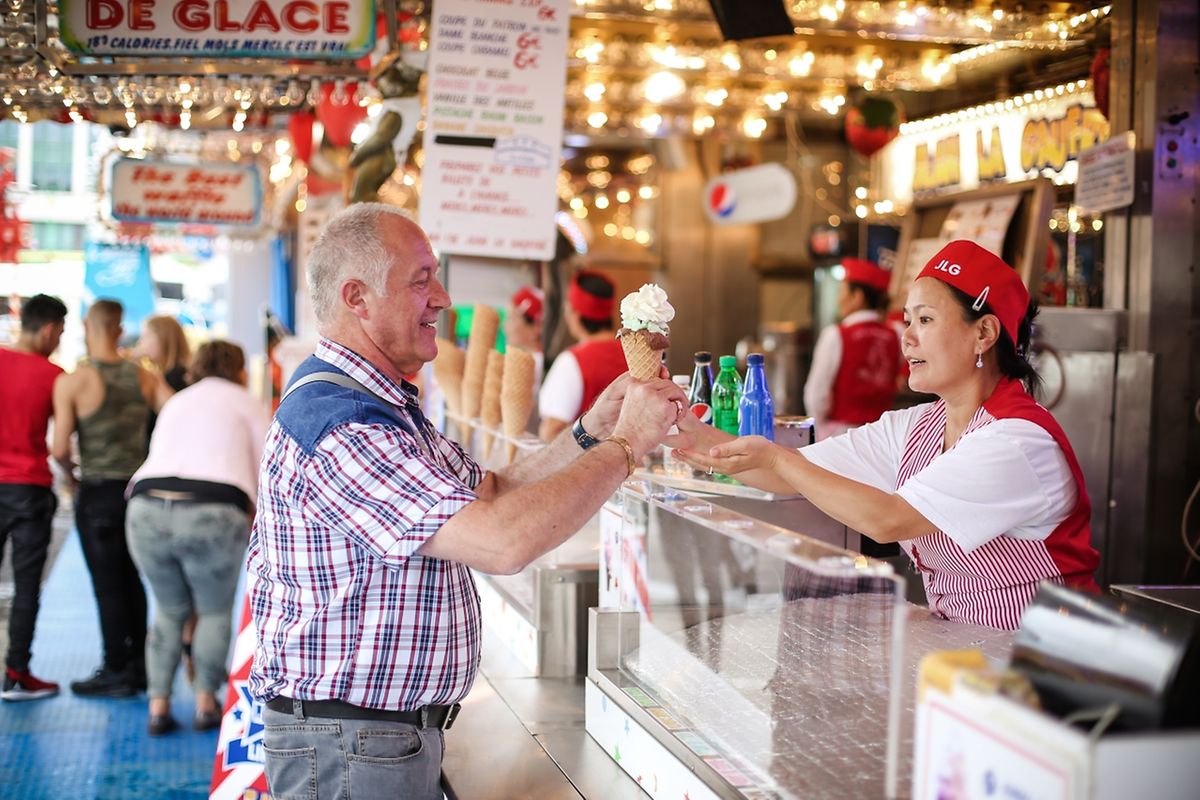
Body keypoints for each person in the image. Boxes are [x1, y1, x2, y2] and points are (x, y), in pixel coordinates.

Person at [247, 203, 684, 799]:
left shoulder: (384, 405)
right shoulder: (341, 424)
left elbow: (494, 489)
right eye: (421, 279)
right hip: (351, 747)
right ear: (357, 297)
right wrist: (630, 446)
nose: (443, 298)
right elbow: (501, 542)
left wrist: (593, 430)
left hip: (371, 740)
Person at [674, 240, 1100, 631]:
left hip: (1039, 667)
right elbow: (793, 475)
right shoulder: (917, 426)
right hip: (960, 650)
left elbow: (888, 520)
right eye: (908, 319)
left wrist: (776, 458)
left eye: (926, 320)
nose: (907, 338)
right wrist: (681, 429)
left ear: (983, 334)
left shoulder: (1018, 442)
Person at [125, 340, 269, 735]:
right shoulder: (246, 402)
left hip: (146, 507)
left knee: (169, 610)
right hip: (214, 509)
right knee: (213, 611)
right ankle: (206, 702)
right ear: (240, 370)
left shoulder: (178, 400)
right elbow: (266, 471)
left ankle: (158, 706)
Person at [52, 299, 166, 696]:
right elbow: (176, 413)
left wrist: (72, 476)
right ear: (120, 329)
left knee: (107, 583)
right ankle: (138, 666)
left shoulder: (74, 380)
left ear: (88, 325)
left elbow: (59, 448)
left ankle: (115, 668)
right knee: (133, 579)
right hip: (136, 492)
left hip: (97, 489)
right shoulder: (144, 378)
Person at [0, 294, 67, 701]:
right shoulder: (54, 375)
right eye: (59, 332)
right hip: (28, 489)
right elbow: (61, 447)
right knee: (26, 587)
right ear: (47, 329)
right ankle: (16, 675)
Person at [804, 258, 901, 442]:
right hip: (883, 436)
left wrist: (821, 428)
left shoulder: (835, 335)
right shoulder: (896, 334)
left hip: (840, 436)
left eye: (841, 291)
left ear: (857, 296)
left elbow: (816, 395)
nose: (838, 299)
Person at [538, 269, 626, 441]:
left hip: (588, 462)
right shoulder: (633, 354)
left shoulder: (572, 361)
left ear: (575, 315)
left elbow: (551, 429)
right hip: (635, 460)